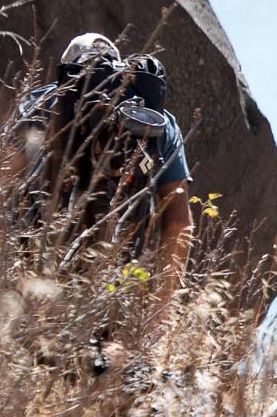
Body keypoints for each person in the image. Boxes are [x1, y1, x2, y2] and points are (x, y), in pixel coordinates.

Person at [12, 33, 193, 294]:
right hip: (117, 281)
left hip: (37, 275)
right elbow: (178, 222)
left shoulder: (43, 103)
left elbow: (0, 182)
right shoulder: (158, 122)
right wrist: (161, 312)